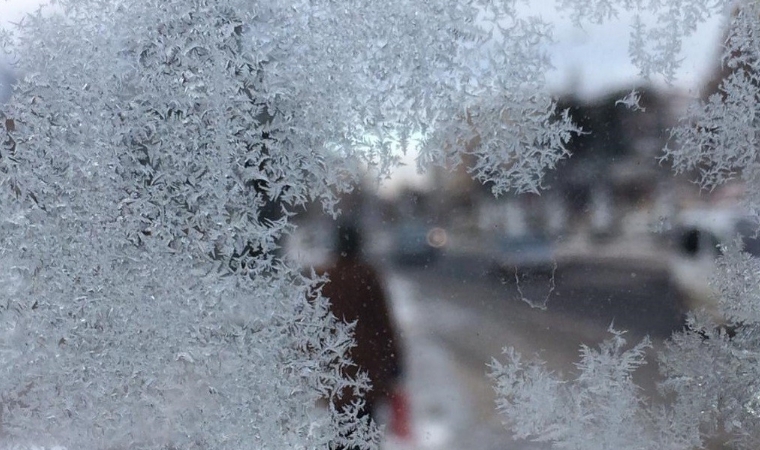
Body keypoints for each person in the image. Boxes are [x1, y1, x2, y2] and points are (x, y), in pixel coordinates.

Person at [317, 222, 405, 432]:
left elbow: (313, 327)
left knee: (339, 432)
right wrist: (394, 365)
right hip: (365, 374)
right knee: (364, 431)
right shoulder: (366, 276)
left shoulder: (325, 278)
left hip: (335, 372)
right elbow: (383, 325)